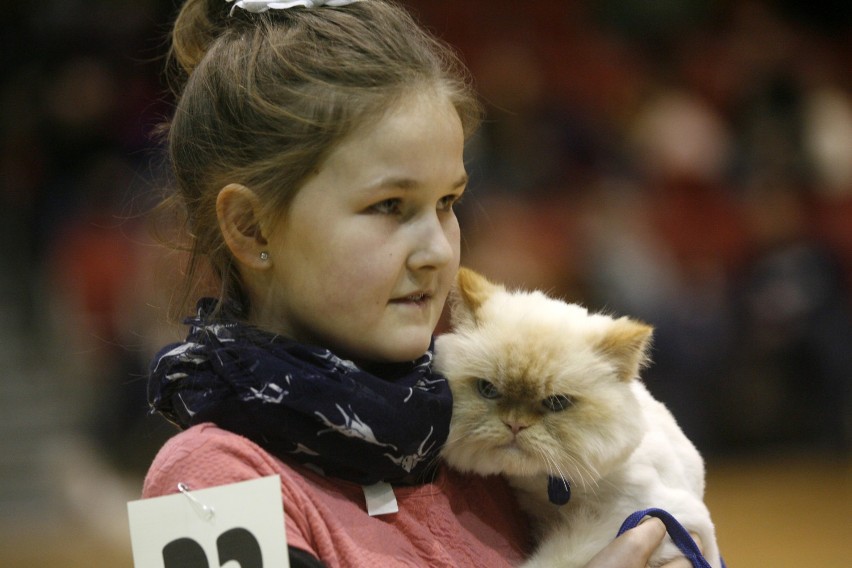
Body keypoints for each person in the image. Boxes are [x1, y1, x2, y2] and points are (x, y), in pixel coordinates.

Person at [142, 1, 702, 566]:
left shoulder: (480, 447)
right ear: (250, 224)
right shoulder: (205, 484)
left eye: (448, 203)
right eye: (390, 205)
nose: (438, 251)